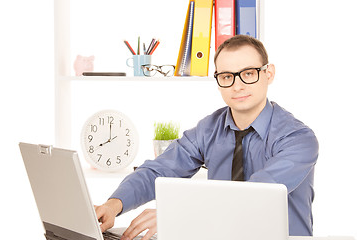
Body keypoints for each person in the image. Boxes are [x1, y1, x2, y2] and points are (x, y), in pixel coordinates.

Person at [95, 35, 319, 239]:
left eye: (248, 74)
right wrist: (115, 204)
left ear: (268, 74)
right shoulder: (209, 129)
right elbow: (159, 169)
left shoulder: (298, 138)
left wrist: (175, 214)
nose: (238, 85)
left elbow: (257, 195)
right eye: (226, 76)